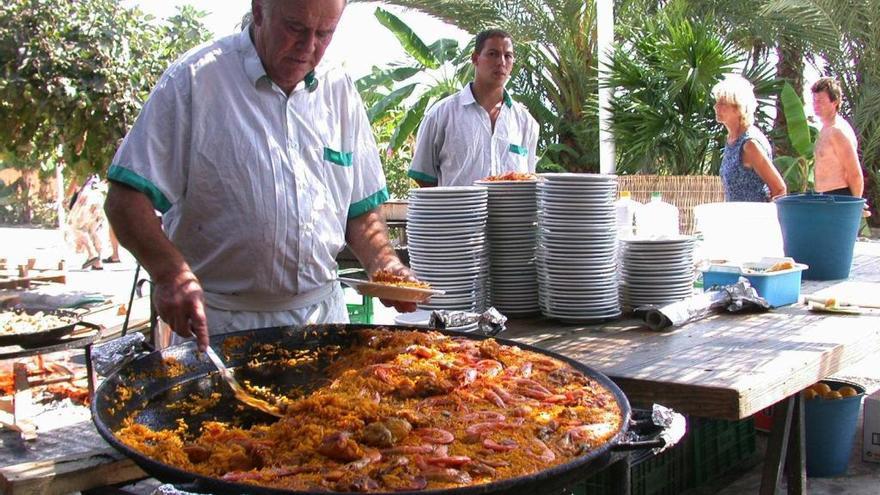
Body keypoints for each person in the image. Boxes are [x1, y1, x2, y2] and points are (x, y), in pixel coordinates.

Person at [104, 0, 416, 352]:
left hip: (322, 321)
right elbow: (125, 199)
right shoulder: (196, 79)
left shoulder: (338, 88)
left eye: (324, 33)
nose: (308, 46)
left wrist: (385, 264)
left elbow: (360, 208)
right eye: (295, 28)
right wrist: (168, 272)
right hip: (222, 327)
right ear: (258, 11)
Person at [408, 29, 539, 187]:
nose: (501, 62)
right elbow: (423, 176)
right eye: (493, 54)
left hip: (511, 212)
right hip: (457, 212)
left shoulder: (526, 123)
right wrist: (450, 205)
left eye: (508, 56)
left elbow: (528, 178)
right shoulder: (441, 115)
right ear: (475, 58)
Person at [712, 74, 787, 202]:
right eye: (717, 102)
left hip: (753, 219)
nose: (716, 107)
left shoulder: (750, 144)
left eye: (723, 103)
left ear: (739, 108)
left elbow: (779, 189)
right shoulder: (732, 140)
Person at [811, 77, 864, 198]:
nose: (816, 105)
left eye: (821, 101)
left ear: (835, 102)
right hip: (825, 196)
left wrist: (855, 204)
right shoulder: (825, 129)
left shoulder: (837, 131)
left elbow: (854, 173)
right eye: (814, 100)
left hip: (839, 195)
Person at [66, 175, 111, 270]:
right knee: (94, 229)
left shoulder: (82, 167)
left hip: (86, 198)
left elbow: (75, 181)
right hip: (100, 197)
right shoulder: (101, 167)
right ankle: (98, 262)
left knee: (77, 227)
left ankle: (92, 254)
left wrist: (66, 197)